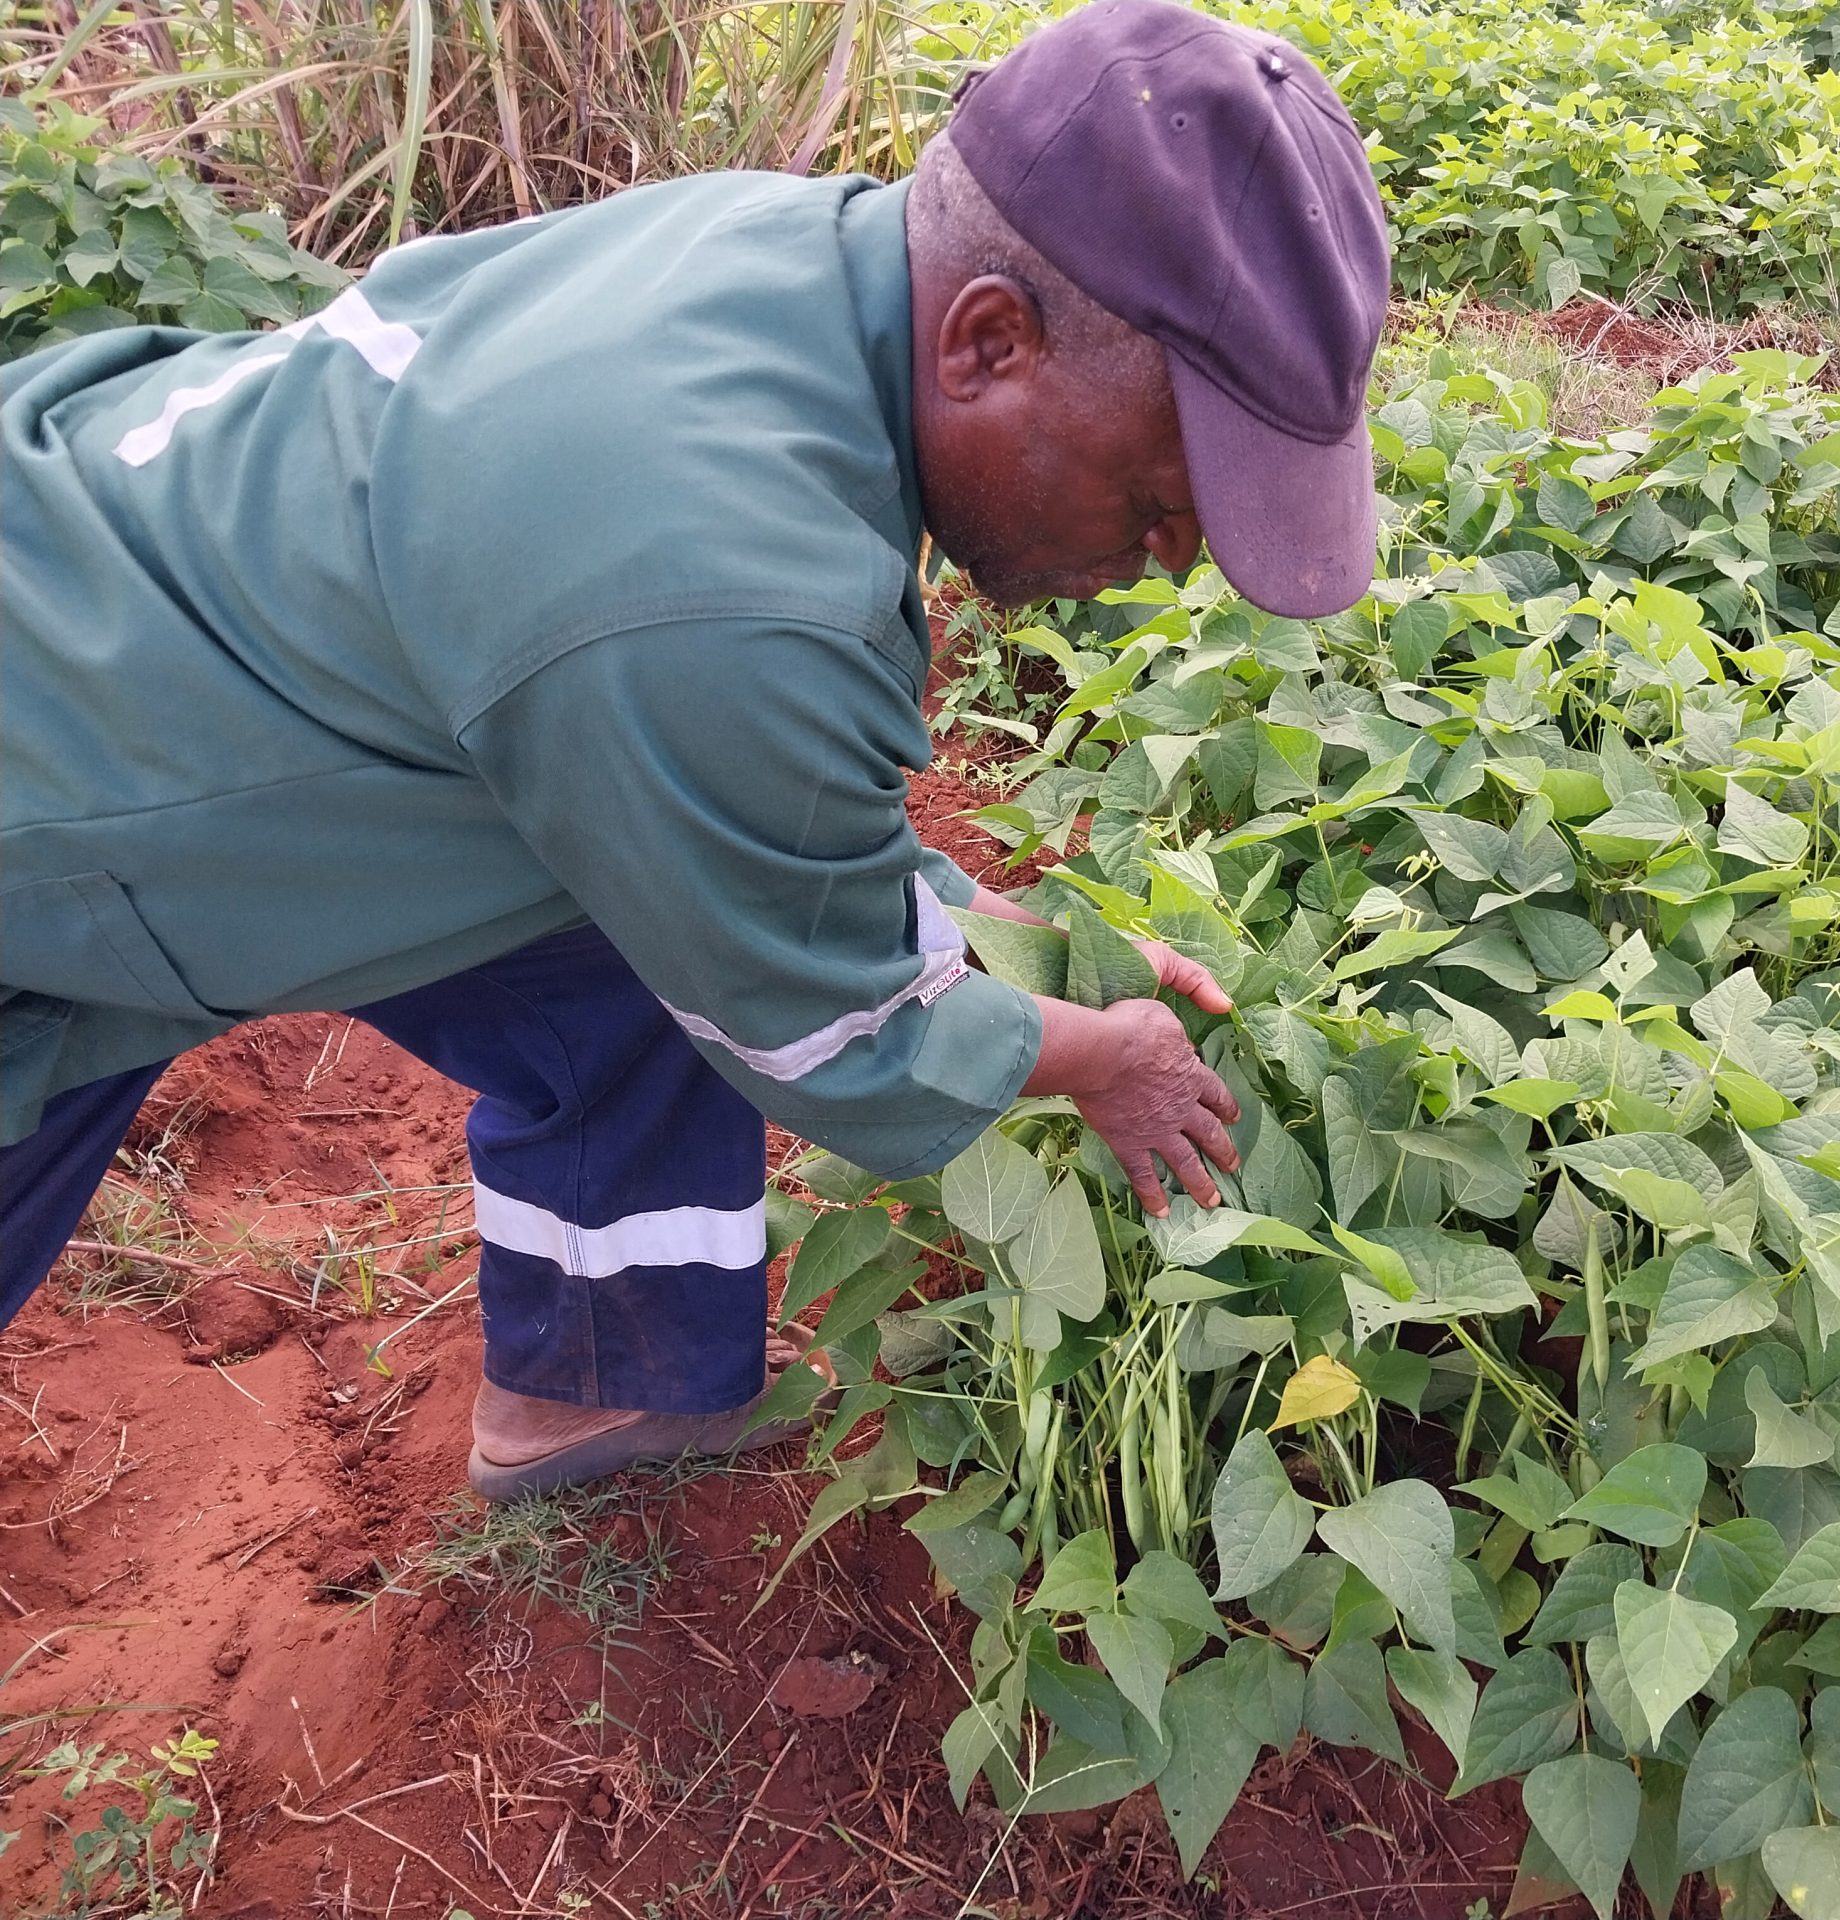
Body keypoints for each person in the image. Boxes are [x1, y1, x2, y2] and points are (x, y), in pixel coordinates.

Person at [0, 0, 1391, 1499]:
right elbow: (831, 1022)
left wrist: (1003, 938)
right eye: (1161, 504)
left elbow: (741, 831)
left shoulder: (789, 269)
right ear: (991, 340)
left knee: (635, 943)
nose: (1167, 562)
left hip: (128, 620)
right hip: (58, 798)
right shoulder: (729, 581)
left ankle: (597, 1388)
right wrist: (1094, 1059)